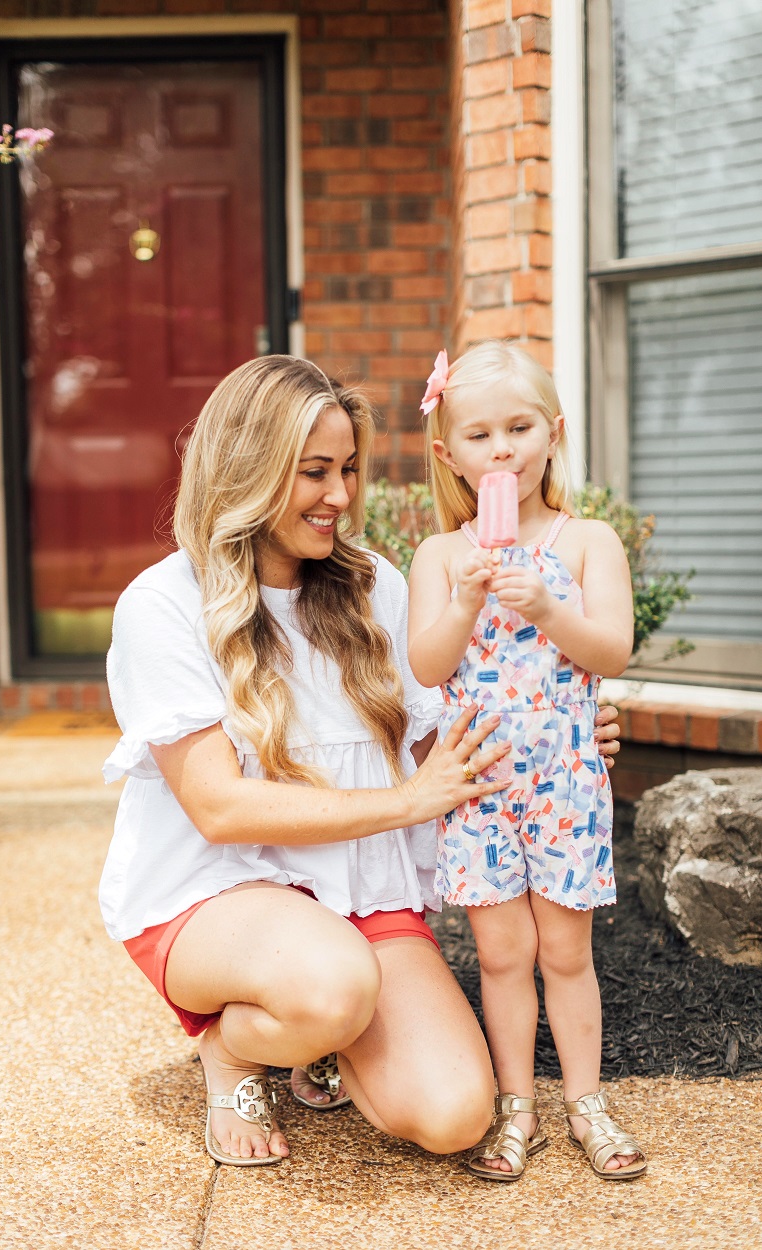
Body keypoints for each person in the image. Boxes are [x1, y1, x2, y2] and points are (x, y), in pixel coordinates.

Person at [99, 354, 622, 1168]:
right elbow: (220, 808)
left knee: (453, 1115)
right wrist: (411, 802)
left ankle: (324, 1036)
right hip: (219, 890)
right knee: (331, 986)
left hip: (359, 895)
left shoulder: (373, 582)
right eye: (314, 473)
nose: (341, 496)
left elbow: (435, 739)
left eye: (348, 469)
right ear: (249, 470)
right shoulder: (164, 604)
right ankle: (237, 1048)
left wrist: (557, 734)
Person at [408, 342, 646, 1182]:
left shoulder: (588, 543)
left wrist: (547, 605)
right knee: (503, 955)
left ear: (554, 432)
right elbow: (430, 667)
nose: (500, 448)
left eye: (518, 427)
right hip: (478, 783)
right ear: (450, 454)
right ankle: (517, 1106)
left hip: (566, 782)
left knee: (566, 954)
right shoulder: (442, 558)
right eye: (478, 434)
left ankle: (586, 1101)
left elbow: (611, 649)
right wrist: (469, 595)